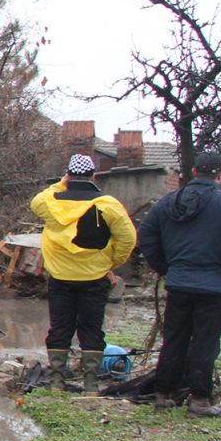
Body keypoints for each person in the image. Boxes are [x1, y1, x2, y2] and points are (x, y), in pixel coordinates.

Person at [136, 150, 221, 417]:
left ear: (193, 172)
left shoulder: (168, 203)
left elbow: (146, 233)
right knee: (205, 343)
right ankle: (200, 401)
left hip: (179, 283)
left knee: (174, 339)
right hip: (215, 285)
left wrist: (164, 266)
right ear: (220, 175)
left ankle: (162, 395)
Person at [30, 154, 138, 391]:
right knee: (91, 329)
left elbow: (36, 201)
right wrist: (112, 262)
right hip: (94, 277)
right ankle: (90, 385)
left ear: (68, 175)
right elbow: (128, 238)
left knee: (60, 328)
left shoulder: (51, 202)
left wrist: (61, 183)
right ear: (94, 176)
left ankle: (57, 381)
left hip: (61, 277)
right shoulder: (108, 204)